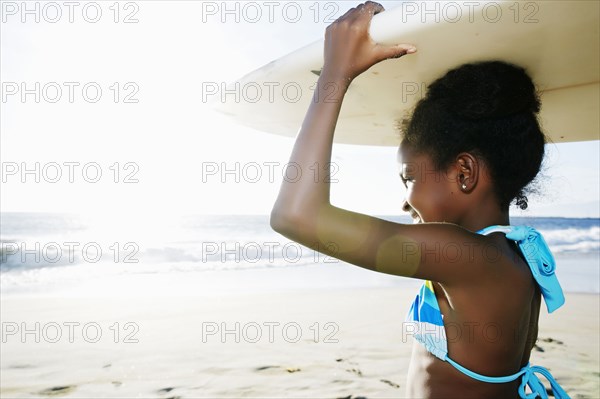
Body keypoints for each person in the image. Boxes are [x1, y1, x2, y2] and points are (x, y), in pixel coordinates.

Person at [269, 2, 570, 398]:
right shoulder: (512, 256)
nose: (405, 203)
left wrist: (335, 76)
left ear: (464, 173)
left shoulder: (466, 256)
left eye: (409, 177)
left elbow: (296, 216)